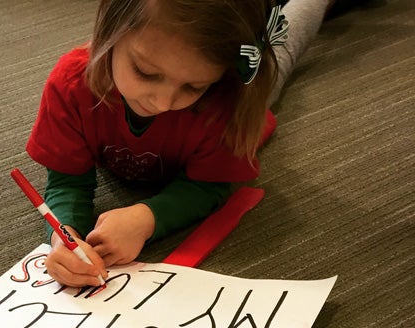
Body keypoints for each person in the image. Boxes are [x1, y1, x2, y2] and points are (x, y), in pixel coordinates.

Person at [25, 0, 338, 288]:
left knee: (282, 51)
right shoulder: (70, 86)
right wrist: (63, 237)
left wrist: (149, 218)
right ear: (110, 27)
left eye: (194, 86)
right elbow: (67, 181)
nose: (163, 102)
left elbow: (210, 185)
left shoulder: (228, 97)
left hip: (246, 90)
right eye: (146, 72)